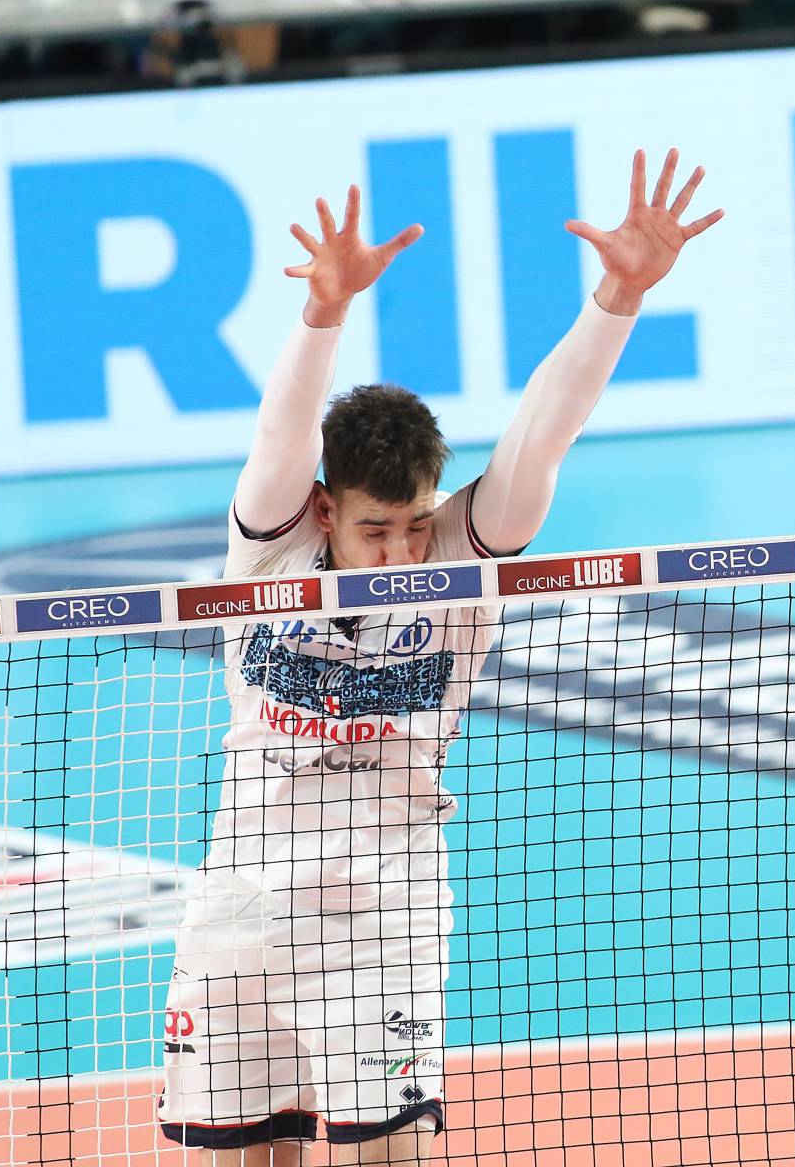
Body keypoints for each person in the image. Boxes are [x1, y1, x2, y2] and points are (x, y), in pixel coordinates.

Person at [156, 151, 721, 1165]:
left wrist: (619, 298)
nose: (400, 552)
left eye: (415, 523)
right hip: (239, 906)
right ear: (324, 509)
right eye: (375, 529)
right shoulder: (270, 544)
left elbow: (544, 433)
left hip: (384, 913)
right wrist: (323, 313)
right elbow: (282, 432)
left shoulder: (461, 555)